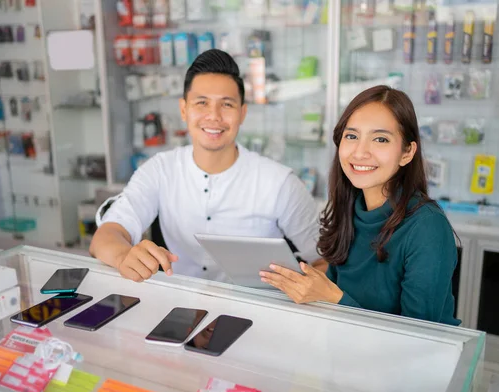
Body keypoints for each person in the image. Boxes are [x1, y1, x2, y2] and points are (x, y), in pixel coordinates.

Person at [90, 49, 324, 283]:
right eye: (202, 103)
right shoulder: (160, 170)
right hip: (182, 306)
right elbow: (106, 236)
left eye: (227, 105)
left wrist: (303, 288)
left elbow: (325, 260)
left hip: (259, 309)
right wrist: (124, 257)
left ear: (242, 113)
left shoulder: (280, 183)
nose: (213, 116)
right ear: (184, 109)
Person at [260, 85, 460, 326]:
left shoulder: (427, 227)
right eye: (352, 136)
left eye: (380, 139)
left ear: (407, 152)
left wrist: (333, 298)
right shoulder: (351, 208)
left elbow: (418, 337)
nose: (360, 152)